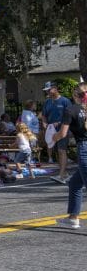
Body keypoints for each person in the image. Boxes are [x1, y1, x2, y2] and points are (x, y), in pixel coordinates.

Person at [52, 82, 87, 228]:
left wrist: (54, 138)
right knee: (75, 183)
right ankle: (73, 217)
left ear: (74, 95)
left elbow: (63, 134)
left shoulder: (70, 110)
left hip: (84, 148)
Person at [41, 82, 72, 182]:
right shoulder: (47, 102)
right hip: (51, 130)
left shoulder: (65, 101)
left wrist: (59, 122)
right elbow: (44, 115)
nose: (47, 92)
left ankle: (61, 175)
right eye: (46, 90)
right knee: (58, 152)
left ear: (55, 89)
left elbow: (70, 116)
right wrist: (44, 123)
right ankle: (65, 173)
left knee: (61, 151)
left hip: (63, 129)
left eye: (49, 90)